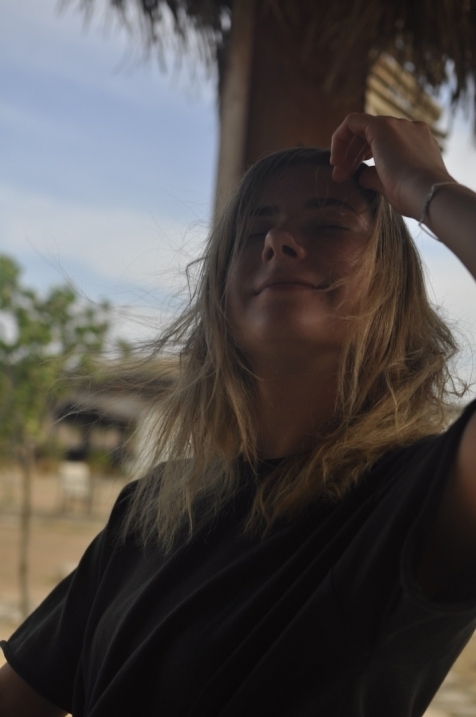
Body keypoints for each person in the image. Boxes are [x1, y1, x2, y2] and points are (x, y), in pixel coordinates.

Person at [1, 113, 476, 717]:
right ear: (220, 298)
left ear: (396, 292)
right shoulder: (153, 508)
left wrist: (429, 188)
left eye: (329, 224)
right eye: (253, 234)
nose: (279, 242)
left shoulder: (420, 498)